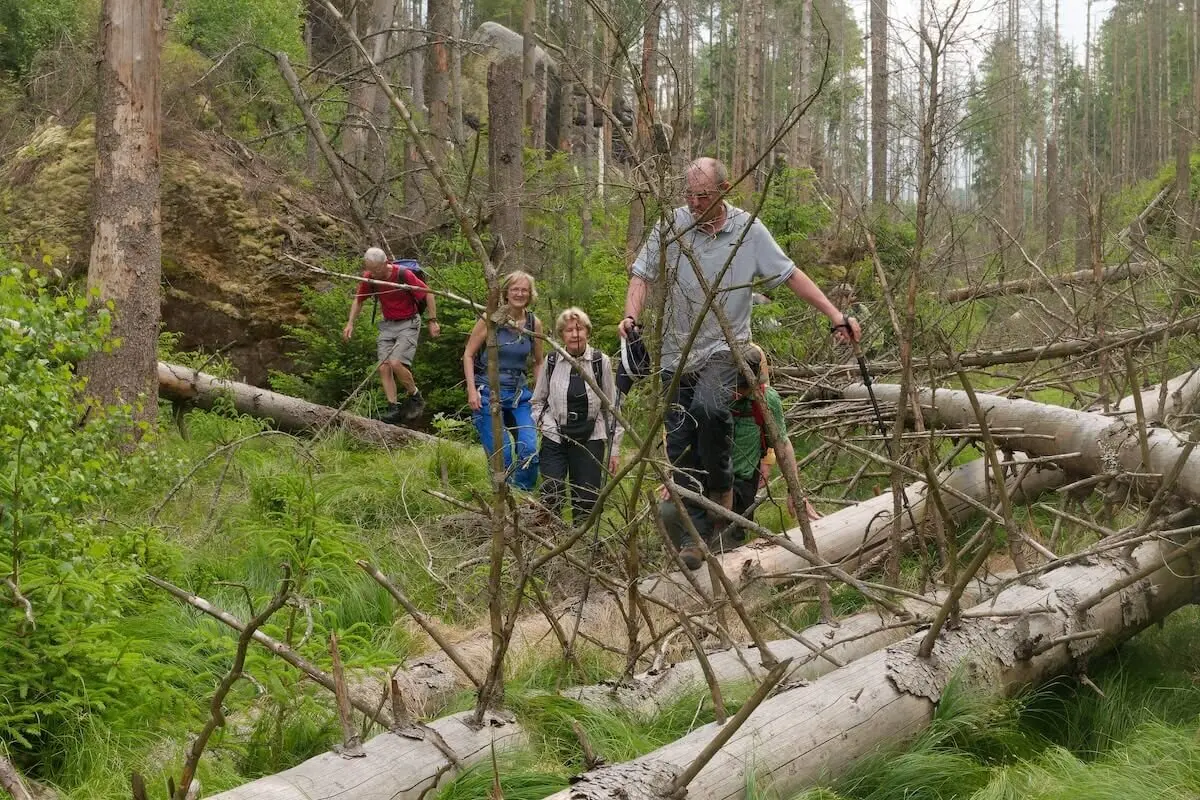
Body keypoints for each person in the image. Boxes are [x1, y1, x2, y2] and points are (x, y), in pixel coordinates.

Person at [621, 157, 859, 567]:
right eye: (689, 196)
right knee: (679, 447)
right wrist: (631, 316)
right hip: (677, 354)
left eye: (703, 196)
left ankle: (724, 490)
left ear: (724, 191)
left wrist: (834, 314)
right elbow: (642, 274)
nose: (694, 204)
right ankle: (698, 537)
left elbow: (790, 275)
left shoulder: (747, 231)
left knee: (710, 408)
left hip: (725, 348)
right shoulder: (671, 225)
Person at [531, 307, 622, 522]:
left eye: (579, 329)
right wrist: (547, 427)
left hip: (591, 434)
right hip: (556, 434)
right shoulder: (552, 360)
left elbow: (613, 407)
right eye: (569, 330)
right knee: (552, 489)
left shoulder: (601, 362)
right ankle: (550, 542)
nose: (575, 334)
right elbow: (537, 401)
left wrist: (615, 448)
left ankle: (583, 544)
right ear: (562, 334)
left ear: (587, 333)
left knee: (587, 498)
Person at [462, 271, 543, 491]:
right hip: (488, 391)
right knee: (502, 453)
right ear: (506, 292)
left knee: (529, 447)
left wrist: (540, 396)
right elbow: (468, 354)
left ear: (530, 293)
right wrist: (471, 390)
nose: (519, 293)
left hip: (519, 394)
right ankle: (504, 498)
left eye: (524, 289)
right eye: (515, 289)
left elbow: (538, 362)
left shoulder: (533, 323)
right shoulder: (491, 319)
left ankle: (522, 495)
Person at [342, 247, 440, 424]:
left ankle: (415, 396)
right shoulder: (370, 277)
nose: (373, 274)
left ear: (385, 263)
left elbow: (429, 294)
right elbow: (358, 300)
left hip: (409, 322)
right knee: (383, 367)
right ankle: (393, 408)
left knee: (396, 362)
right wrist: (350, 323)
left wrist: (432, 321)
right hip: (388, 324)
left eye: (376, 270)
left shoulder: (403, 275)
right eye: (370, 270)